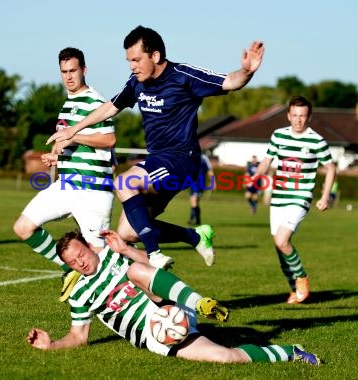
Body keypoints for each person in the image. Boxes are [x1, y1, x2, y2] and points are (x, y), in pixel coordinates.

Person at [48, 25, 265, 270]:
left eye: (137, 59)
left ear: (156, 56)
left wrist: (246, 71)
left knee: (124, 183)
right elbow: (111, 106)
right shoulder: (136, 82)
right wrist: (73, 129)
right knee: (129, 231)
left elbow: (230, 82)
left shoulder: (184, 76)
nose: (132, 66)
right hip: (158, 160)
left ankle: (154, 254)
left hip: (182, 160)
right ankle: (195, 236)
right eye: (129, 60)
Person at [26, 229, 321, 366]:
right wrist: (51, 346)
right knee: (226, 358)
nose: (81, 263)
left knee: (135, 272)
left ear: (89, 246)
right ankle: (291, 351)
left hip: (169, 305)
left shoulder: (113, 255)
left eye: (81, 255)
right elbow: (79, 337)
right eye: (74, 263)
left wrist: (127, 250)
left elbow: (158, 267)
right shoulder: (79, 293)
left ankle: (200, 302)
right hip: (158, 337)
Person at [12, 47, 116, 300]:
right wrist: (58, 157)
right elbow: (79, 146)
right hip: (67, 184)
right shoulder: (68, 104)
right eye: (64, 72)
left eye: (73, 70)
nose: (69, 76)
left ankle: (136, 301)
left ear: (84, 70)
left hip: (92, 189)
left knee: (99, 261)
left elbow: (109, 140)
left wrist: (72, 135)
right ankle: (68, 269)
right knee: (23, 227)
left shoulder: (95, 102)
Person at [253, 95, 336, 304]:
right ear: (289, 115)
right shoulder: (278, 135)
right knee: (279, 248)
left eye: (303, 116)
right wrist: (256, 176)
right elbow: (267, 160)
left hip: (300, 197)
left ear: (309, 117)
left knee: (282, 241)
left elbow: (331, 167)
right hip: (279, 197)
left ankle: (302, 277)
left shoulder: (317, 140)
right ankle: (294, 291)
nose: (299, 120)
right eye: (295, 115)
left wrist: (325, 197)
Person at [187, 153, 215, 227]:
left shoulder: (204, 158)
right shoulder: (190, 156)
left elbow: (209, 170)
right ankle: (198, 220)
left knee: (194, 200)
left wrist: (213, 182)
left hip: (200, 184)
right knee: (194, 201)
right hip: (192, 183)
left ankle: (191, 219)